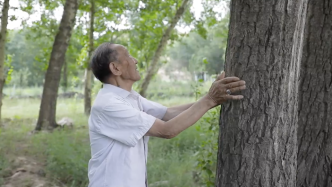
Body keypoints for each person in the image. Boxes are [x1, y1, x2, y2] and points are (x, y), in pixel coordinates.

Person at [87, 42, 246, 187]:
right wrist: (209, 99)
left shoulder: (131, 98)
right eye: (128, 56)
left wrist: (214, 99)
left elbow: (168, 114)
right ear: (115, 68)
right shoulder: (108, 105)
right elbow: (166, 130)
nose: (135, 60)